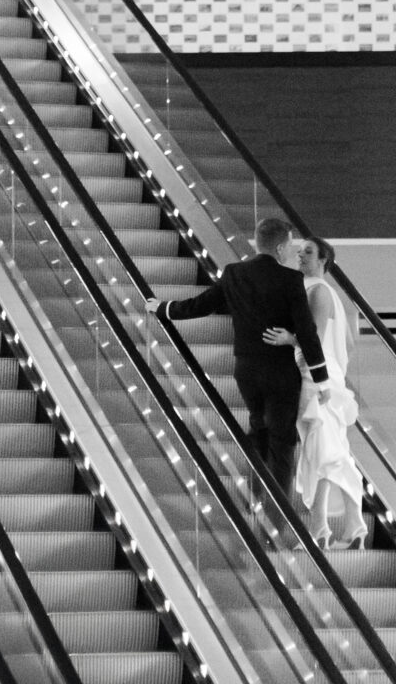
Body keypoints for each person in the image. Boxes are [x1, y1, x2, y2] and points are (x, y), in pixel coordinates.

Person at [150, 213, 328, 525]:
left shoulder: (234, 273)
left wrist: (163, 308)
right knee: (282, 442)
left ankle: (254, 503)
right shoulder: (290, 280)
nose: (292, 252)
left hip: (246, 370)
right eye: (290, 246)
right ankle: (277, 521)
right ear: (280, 248)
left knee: (258, 431)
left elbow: (201, 304)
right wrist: (321, 378)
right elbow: (307, 331)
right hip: (280, 373)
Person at [265, 238, 367, 550]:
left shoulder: (318, 290)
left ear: (323, 259)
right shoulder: (323, 292)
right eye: (300, 251)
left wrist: (289, 339)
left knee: (320, 449)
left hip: (314, 374)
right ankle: (354, 525)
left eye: (308, 251)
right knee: (331, 449)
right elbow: (347, 343)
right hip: (325, 374)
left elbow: (314, 340)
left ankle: (321, 526)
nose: (301, 254)